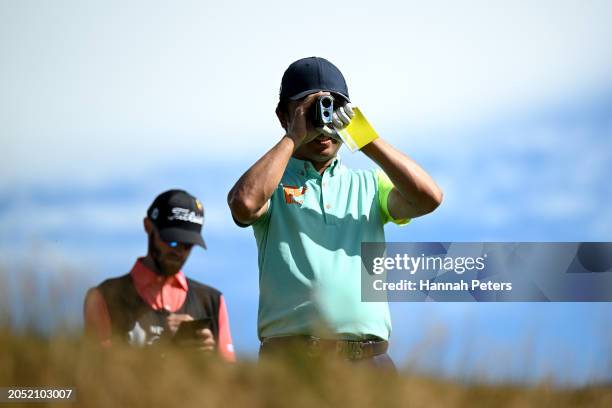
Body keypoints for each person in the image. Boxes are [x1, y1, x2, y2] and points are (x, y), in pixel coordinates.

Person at [227, 56, 443, 368]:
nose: (324, 121)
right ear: (283, 114)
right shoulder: (271, 183)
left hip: (371, 362)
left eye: (335, 107)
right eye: (310, 108)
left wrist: (364, 137)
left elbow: (429, 197)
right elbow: (244, 205)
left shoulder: (368, 185)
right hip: (293, 364)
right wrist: (294, 136)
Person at [84, 189, 235, 362]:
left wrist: (209, 356)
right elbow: (97, 373)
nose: (178, 250)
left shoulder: (212, 301)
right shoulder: (104, 297)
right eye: (171, 240)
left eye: (187, 245)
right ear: (148, 227)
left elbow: (230, 378)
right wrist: (163, 346)